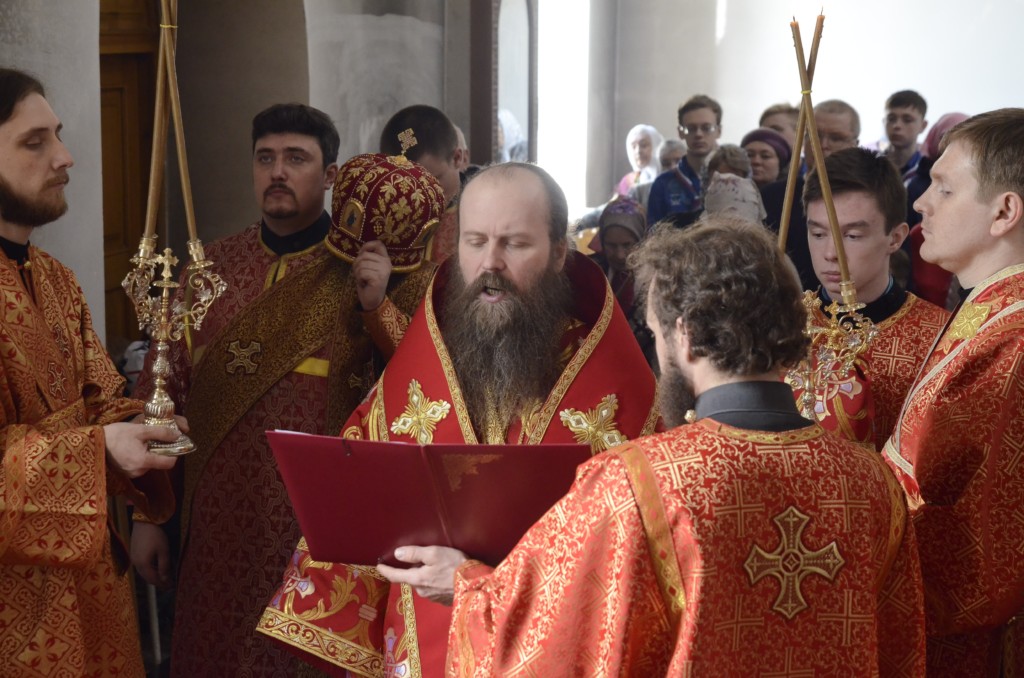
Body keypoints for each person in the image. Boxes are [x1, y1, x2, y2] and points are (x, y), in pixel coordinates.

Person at [433, 218, 925, 675]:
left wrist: (466, 585)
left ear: (684, 335)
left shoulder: (637, 482)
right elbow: (899, 652)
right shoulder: (874, 483)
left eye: (656, 334)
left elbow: (544, 640)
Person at [258, 162, 660, 677]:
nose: (490, 263)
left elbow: (633, 565)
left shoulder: (618, 392)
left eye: (515, 244)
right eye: (475, 242)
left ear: (560, 253)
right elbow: (359, 498)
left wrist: (475, 583)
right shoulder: (427, 362)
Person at [130, 105, 440, 676]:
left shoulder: (369, 273)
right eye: (265, 158)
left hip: (311, 526)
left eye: (296, 158)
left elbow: (422, 390)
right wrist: (150, 514)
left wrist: (376, 307)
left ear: (330, 175)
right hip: (217, 523)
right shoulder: (210, 269)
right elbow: (163, 388)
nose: (277, 172)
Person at [0, 67, 181, 676]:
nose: (64, 157)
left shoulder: (56, 279)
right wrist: (99, 449)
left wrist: (141, 425)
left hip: (94, 590)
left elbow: (99, 395)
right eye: (35, 142)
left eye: (57, 135)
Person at [883, 108, 1024, 676]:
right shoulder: (993, 315)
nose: (921, 203)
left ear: (1004, 212)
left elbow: (984, 539)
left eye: (944, 188)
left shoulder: (1013, 341)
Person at [788, 148, 949, 450]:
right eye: (818, 234)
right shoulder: (781, 326)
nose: (830, 253)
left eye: (852, 236)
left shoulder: (941, 340)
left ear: (895, 238)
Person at [763, 99, 861, 290]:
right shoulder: (772, 197)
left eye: (836, 138)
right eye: (814, 135)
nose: (822, 145)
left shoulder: (869, 199)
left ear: (855, 144)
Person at [380, 105, 463, 266]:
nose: (421, 198)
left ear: (457, 158)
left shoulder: (482, 216)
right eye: (406, 186)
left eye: (433, 182)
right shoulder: (381, 220)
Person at [647, 94, 722, 225]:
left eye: (706, 128)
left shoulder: (734, 178)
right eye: (691, 129)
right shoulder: (663, 184)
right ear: (680, 132)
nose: (698, 134)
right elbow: (654, 233)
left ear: (719, 131)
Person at [631, 137, 686, 211]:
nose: (673, 168)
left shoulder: (697, 192)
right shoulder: (639, 193)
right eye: (666, 163)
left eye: (678, 162)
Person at [616, 123, 664, 197]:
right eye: (633, 147)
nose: (638, 151)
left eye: (644, 145)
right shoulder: (628, 182)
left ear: (656, 146)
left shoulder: (668, 178)